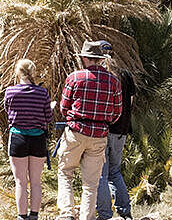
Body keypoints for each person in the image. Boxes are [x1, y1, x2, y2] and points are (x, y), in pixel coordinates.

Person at [57, 41, 122, 220]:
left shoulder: (74, 77)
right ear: (100, 59)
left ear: (85, 58)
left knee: (65, 172)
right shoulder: (113, 81)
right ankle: (87, 217)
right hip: (99, 135)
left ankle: (67, 214)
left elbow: (64, 107)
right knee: (91, 183)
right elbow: (117, 112)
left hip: (76, 131)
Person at [5, 59, 54, 220]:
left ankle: (22, 216)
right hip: (38, 138)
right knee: (36, 182)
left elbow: (8, 112)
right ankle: (34, 215)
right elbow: (48, 117)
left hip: (18, 137)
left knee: (20, 182)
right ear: (33, 72)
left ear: (17, 72)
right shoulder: (42, 93)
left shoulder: (10, 92)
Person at [96, 69, 136, 220]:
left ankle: (105, 214)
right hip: (121, 130)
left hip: (103, 130)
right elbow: (130, 101)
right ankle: (125, 211)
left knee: (101, 174)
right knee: (115, 172)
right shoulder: (126, 74)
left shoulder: (102, 75)